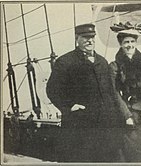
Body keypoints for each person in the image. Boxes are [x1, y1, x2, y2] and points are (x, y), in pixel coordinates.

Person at [46, 23, 124, 162]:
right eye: (85, 37)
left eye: (92, 37)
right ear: (77, 38)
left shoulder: (102, 61)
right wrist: (68, 107)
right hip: (79, 126)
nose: (90, 41)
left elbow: (110, 92)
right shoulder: (65, 61)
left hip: (103, 126)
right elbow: (52, 90)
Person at [109, 22, 141, 162]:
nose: (129, 45)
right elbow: (114, 93)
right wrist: (126, 116)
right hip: (129, 115)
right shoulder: (114, 66)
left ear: (136, 43)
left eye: (132, 41)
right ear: (120, 44)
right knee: (132, 154)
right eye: (126, 42)